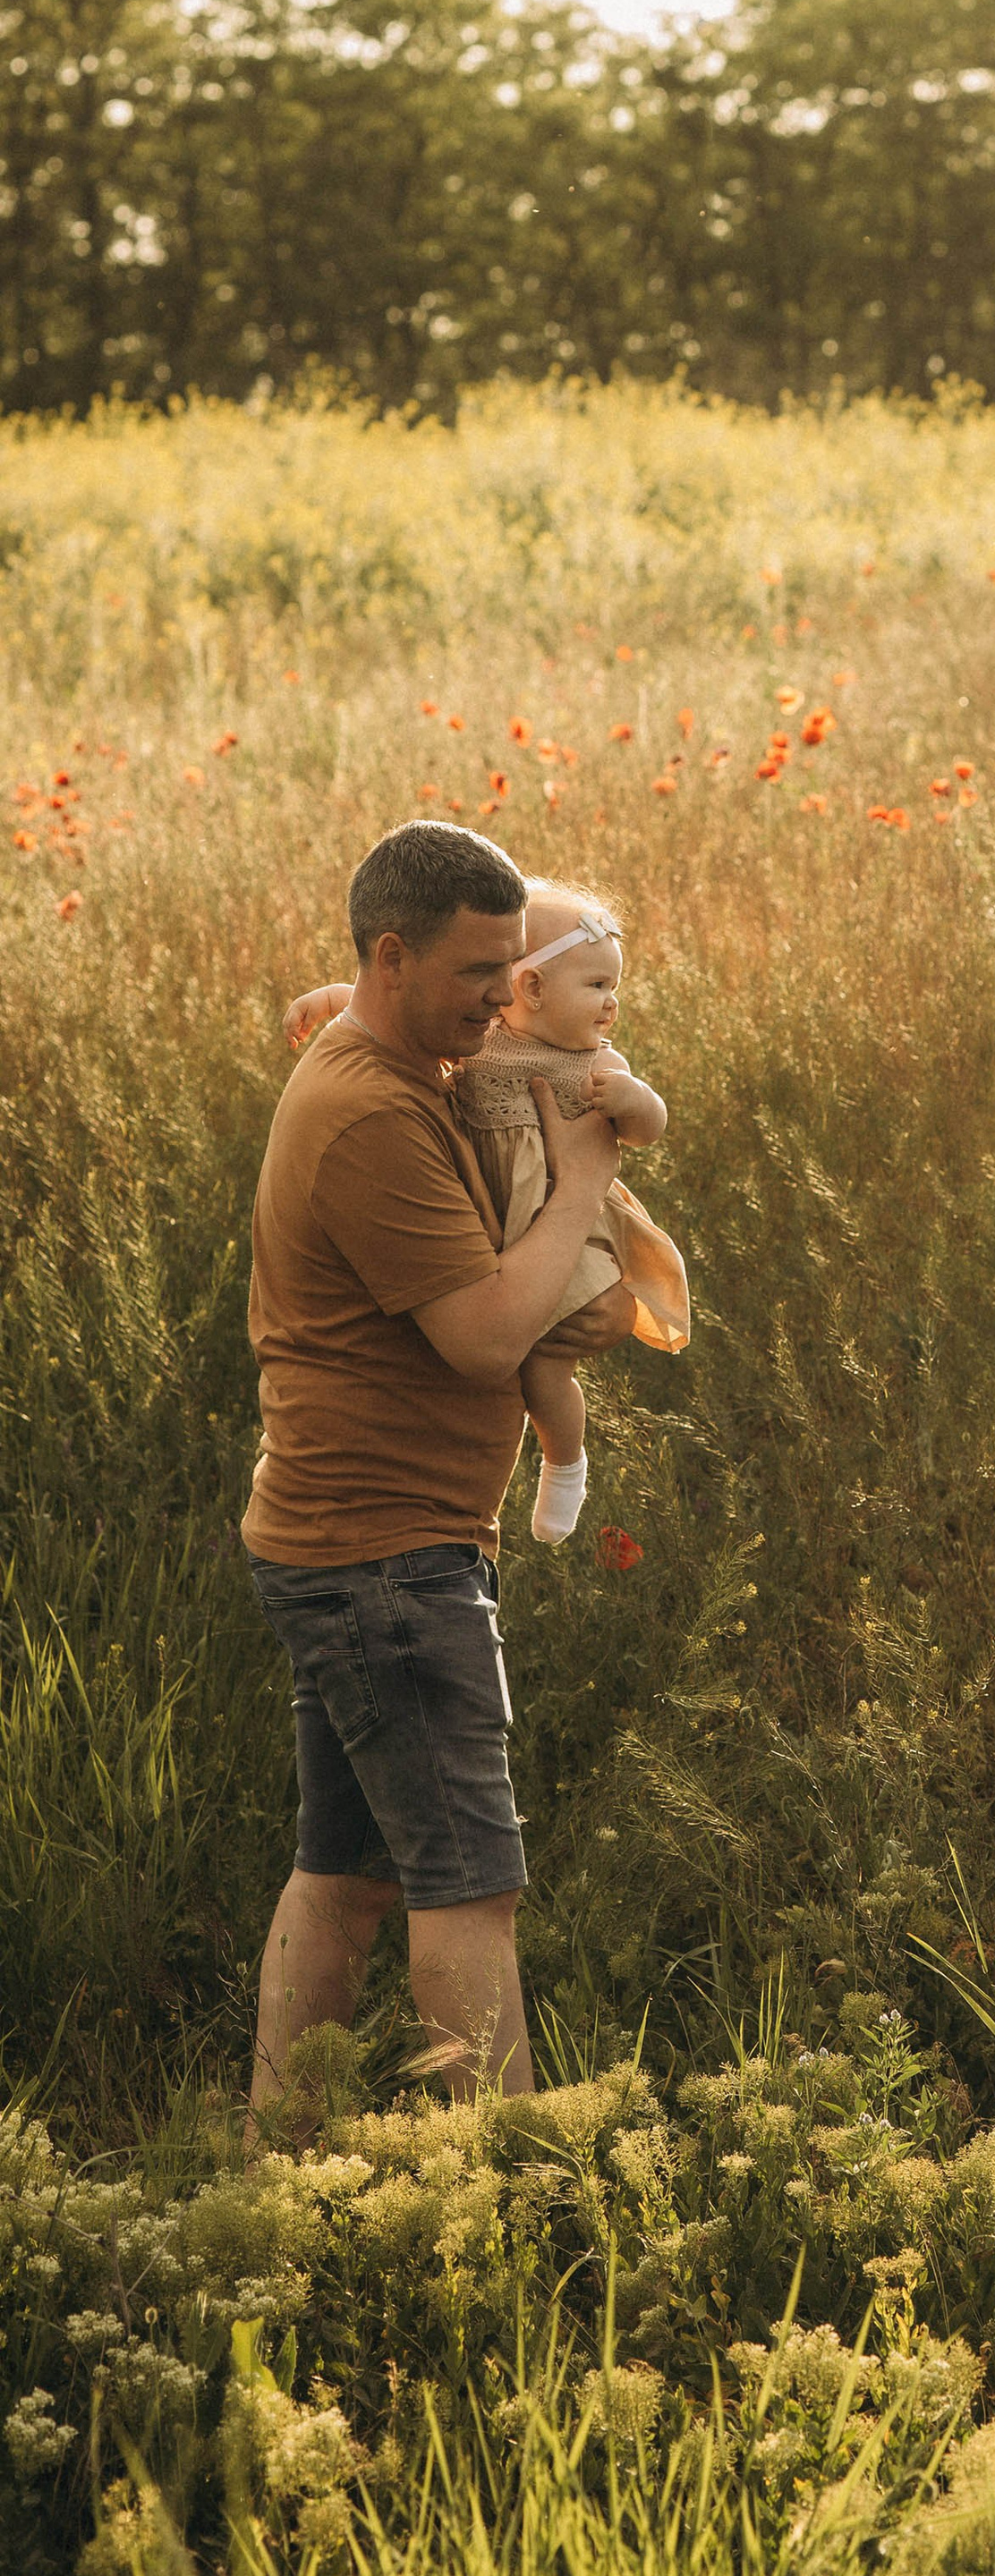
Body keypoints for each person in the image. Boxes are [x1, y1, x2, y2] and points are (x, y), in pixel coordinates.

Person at [241, 821, 633, 2132]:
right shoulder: (367, 1112)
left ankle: (285, 2150)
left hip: (356, 1542)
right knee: (470, 1887)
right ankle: (502, 2187)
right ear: (392, 957)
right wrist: (585, 1180)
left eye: (514, 967)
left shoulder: (405, 1061)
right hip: (384, 1558)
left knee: (346, 1877)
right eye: (475, 972)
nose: (502, 994)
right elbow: (481, 1337)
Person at [284, 877, 687, 1546]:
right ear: (532, 989)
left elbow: (649, 1126)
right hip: (507, 1232)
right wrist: (328, 1000)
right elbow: (380, 999)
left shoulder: (595, 1063)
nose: (613, 1002)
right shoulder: (484, 1039)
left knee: (545, 1364)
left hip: (555, 1226)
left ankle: (564, 1463)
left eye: (613, 986)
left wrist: (633, 1103)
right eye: (597, 985)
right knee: (519, 1340)